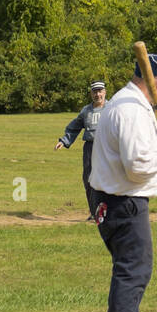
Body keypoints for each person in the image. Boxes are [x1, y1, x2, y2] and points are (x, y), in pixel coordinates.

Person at [87, 53, 157, 312]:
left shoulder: (130, 104)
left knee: (131, 269)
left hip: (116, 200)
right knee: (134, 270)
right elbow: (137, 167)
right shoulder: (131, 111)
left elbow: (140, 157)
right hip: (122, 203)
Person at [56, 81, 106, 220]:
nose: (97, 94)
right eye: (95, 92)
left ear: (105, 92)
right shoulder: (86, 111)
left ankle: (110, 210)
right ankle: (94, 212)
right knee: (88, 179)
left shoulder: (112, 108)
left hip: (107, 148)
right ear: (91, 94)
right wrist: (64, 141)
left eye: (100, 91)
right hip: (90, 148)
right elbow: (74, 127)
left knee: (109, 178)